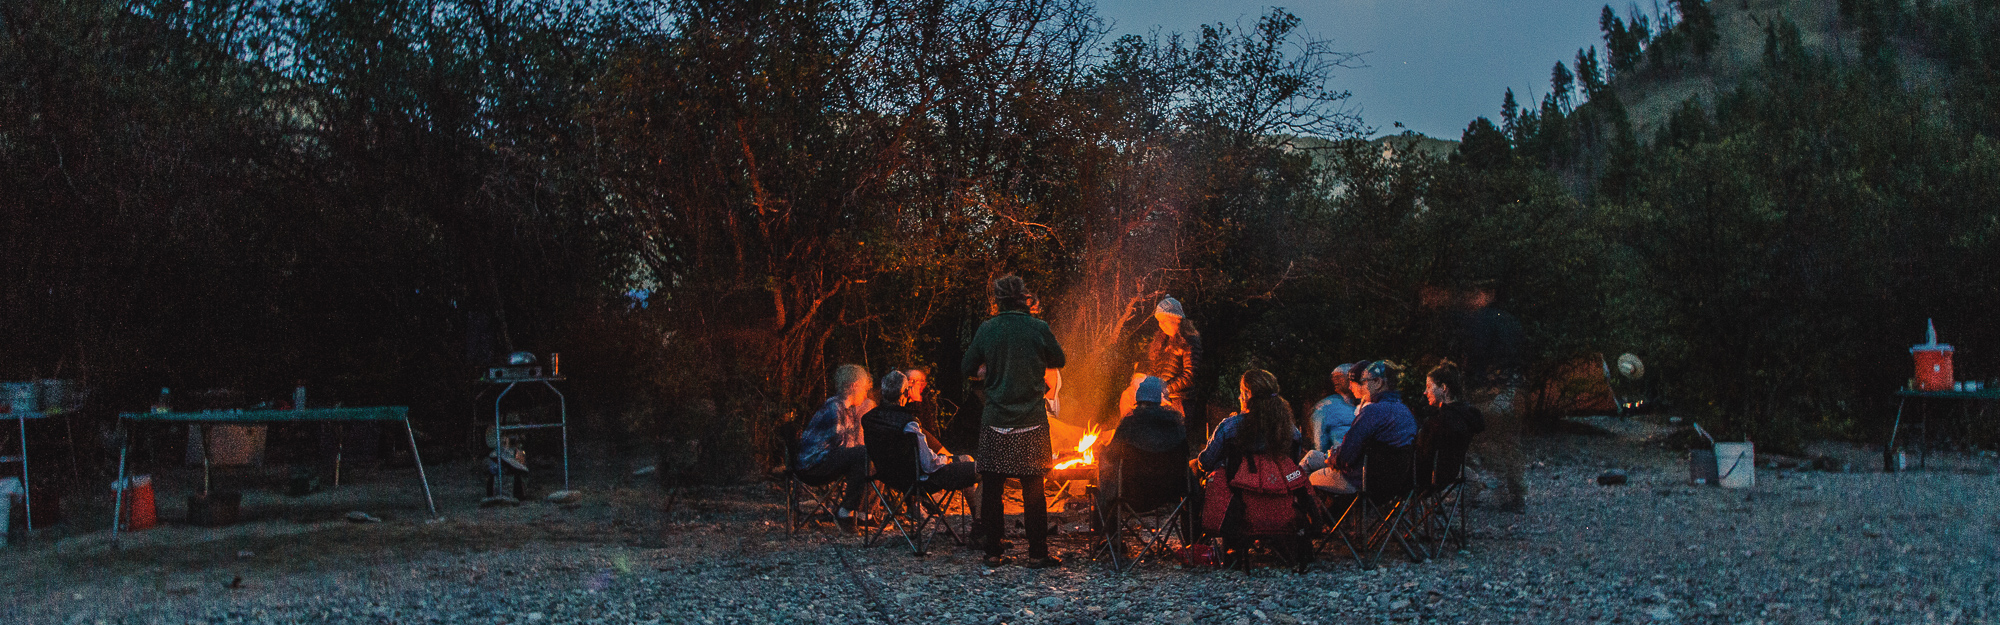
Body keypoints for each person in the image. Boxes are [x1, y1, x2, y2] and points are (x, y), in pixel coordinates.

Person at [960, 274, 1067, 568]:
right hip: (1031, 419)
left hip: (995, 418)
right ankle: (1037, 554)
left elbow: (966, 366)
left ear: (997, 300)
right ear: (1023, 297)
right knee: (1033, 488)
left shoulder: (988, 329)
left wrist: (986, 371)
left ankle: (993, 552)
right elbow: (1059, 359)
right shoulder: (1038, 328)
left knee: (993, 487)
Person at [863, 371, 977, 512]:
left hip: (889, 477)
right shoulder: (909, 424)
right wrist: (945, 460)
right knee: (981, 468)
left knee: (964, 460)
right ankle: (980, 521)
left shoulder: (868, 419)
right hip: (921, 481)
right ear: (905, 393)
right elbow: (929, 465)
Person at [1455, 285, 1526, 512]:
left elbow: (1474, 355)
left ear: (1486, 295)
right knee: (1510, 444)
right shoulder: (1512, 322)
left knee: (1469, 441)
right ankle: (1516, 496)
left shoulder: (1479, 321)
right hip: (1512, 391)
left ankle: (1470, 490)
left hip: (1486, 391)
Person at [1096, 376, 1189, 539]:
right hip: (1170, 491)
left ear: (1138, 398)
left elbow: (1111, 455)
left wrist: (1101, 451)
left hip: (1132, 493)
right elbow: (1185, 453)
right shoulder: (1175, 423)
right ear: (1159, 398)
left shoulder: (1128, 423)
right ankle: (1191, 544)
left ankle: (1111, 541)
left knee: (1105, 476)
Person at [1308, 360, 1417, 495]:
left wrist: (1332, 458)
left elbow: (1345, 457)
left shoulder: (1372, 412)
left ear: (1378, 383)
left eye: (1365, 381)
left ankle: (1305, 513)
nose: (1363, 385)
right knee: (1314, 460)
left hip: (1362, 481)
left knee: (1309, 479)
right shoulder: (1405, 412)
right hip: (1394, 483)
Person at [796, 364, 876, 529]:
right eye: (864, 388)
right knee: (863, 454)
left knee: (872, 454)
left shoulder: (846, 409)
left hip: (827, 458)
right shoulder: (834, 407)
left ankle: (862, 513)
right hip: (814, 464)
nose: (866, 393)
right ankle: (845, 512)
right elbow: (841, 444)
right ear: (854, 386)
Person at [1197, 370, 1303, 474]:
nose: (1239, 397)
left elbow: (1206, 463)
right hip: (1279, 488)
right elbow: (1294, 465)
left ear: (1247, 396)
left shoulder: (1229, 427)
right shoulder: (1290, 430)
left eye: (1241, 393)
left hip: (1236, 489)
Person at [1416, 361, 1486, 489]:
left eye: (1429, 387)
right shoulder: (1465, 416)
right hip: (1448, 477)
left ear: (1443, 388)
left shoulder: (1441, 420)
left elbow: (1422, 453)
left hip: (1423, 480)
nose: (1425, 392)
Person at [1137, 296, 1202, 421]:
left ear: (1176, 319)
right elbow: (1155, 369)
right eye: (1159, 321)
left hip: (1180, 401)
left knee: (1175, 436)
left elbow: (1190, 375)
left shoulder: (1189, 341)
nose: (1161, 325)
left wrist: (1165, 388)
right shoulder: (1162, 342)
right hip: (1161, 399)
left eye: (1165, 320)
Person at [1307, 363, 1360, 455]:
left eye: (1340, 376)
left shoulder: (1365, 402)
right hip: (1338, 459)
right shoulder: (1326, 406)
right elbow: (1319, 439)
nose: (1335, 380)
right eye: (1334, 377)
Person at [901, 367, 947, 454]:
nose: (913, 385)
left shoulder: (926, 402)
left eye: (918, 381)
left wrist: (917, 403)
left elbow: (929, 431)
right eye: (911, 381)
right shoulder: (900, 402)